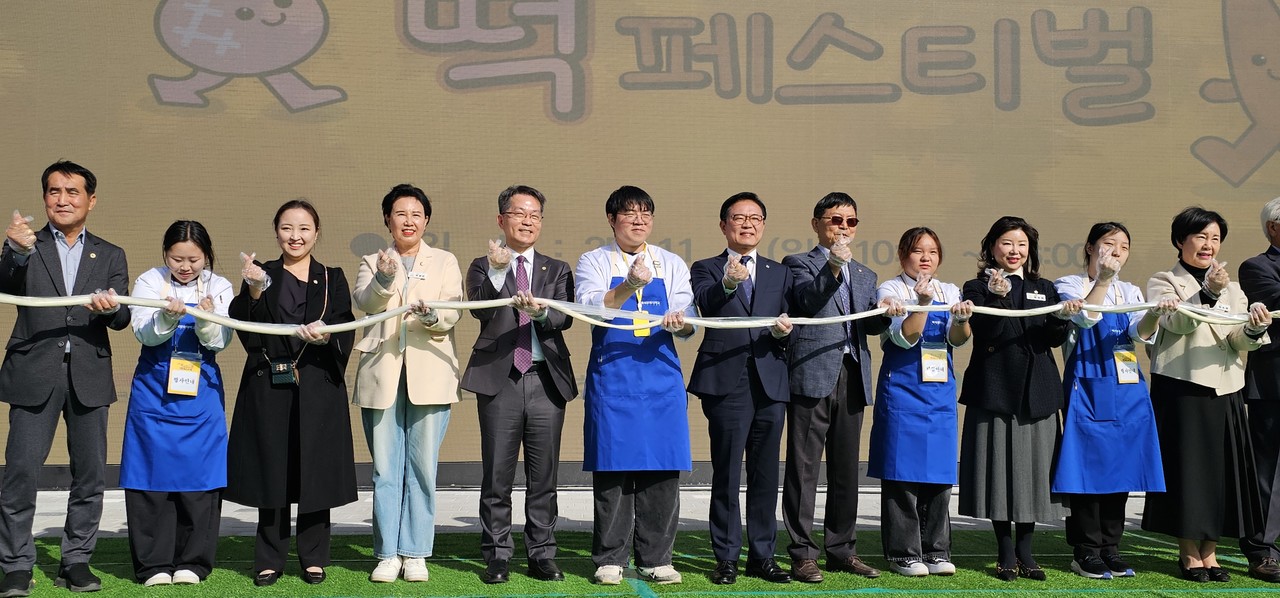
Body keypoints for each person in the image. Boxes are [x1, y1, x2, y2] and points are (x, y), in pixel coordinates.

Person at [0, 160, 129, 596]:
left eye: (73, 192)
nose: (63, 199)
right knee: (20, 472)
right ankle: (17, 565)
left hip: (89, 374)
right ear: (44, 199)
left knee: (90, 475)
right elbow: (5, 282)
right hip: (33, 372)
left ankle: (76, 561)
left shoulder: (110, 254)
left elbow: (123, 316)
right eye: (54, 191)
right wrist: (14, 250)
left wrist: (112, 309)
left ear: (91, 200)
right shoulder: (24, 245)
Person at [225, 199, 358, 587]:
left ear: (317, 233)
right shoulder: (261, 273)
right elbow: (245, 328)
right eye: (287, 228)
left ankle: (314, 557)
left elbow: (344, 324)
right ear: (276, 232)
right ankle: (269, 558)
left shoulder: (332, 276)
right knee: (272, 470)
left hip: (317, 383)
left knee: (314, 471)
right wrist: (251, 289)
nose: (295, 236)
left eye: (303, 228)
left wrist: (328, 334)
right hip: (269, 383)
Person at [1142, 206, 1272, 583]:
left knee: (1220, 474)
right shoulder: (1164, 280)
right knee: (1188, 472)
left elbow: (1236, 340)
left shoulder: (1233, 287)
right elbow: (1176, 323)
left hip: (1227, 387)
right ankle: (1188, 552)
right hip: (1182, 387)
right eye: (1201, 237)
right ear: (1180, 240)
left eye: (1215, 238)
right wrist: (1207, 292)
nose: (1208, 245)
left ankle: (1211, 553)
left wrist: (1252, 327)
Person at [575, 185, 695, 586]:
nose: (639, 220)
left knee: (662, 470)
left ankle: (657, 558)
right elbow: (591, 309)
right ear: (611, 220)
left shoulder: (671, 261)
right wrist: (627, 284)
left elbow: (688, 315)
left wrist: (682, 323)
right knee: (613, 469)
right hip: (614, 376)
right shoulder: (593, 260)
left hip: (661, 377)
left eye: (646, 213)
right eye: (629, 213)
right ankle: (610, 558)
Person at [460, 185, 576, 585]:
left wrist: (542, 315)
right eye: (519, 213)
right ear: (501, 220)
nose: (528, 221)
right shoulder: (481, 265)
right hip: (500, 380)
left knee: (543, 476)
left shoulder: (556, 268)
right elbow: (480, 307)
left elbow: (565, 318)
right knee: (497, 475)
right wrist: (497, 270)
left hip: (545, 380)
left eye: (535, 215)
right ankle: (496, 555)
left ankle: (542, 553)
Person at [352, 183, 463, 584]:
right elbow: (364, 304)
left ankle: (415, 552)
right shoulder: (372, 259)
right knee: (385, 468)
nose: (409, 221)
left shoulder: (445, 261)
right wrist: (383, 279)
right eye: (401, 214)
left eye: (416, 214)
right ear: (388, 220)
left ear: (426, 220)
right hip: (381, 372)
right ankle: (386, 553)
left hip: (431, 372)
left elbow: (453, 313)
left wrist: (432, 316)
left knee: (421, 467)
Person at [958, 216, 1079, 582]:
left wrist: (1062, 317)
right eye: (1007, 243)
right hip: (995, 389)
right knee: (999, 473)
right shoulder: (976, 287)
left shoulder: (1044, 287)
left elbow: (1051, 339)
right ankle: (1005, 550)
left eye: (1022, 244)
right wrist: (996, 296)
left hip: (1038, 392)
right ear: (992, 246)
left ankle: (1027, 550)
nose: (1015, 251)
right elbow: (984, 332)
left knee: (1033, 474)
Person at [782, 192, 893, 583]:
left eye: (850, 221)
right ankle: (802, 552)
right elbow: (807, 303)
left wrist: (888, 313)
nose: (843, 228)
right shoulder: (798, 264)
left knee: (846, 470)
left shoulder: (865, 274)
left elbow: (870, 326)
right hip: (812, 374)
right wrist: (832, 266)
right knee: (803, 468)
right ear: (817, 224)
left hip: (853, 373)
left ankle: (842, 549)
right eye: (835, 220)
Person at [1052, 222, 1172, 579]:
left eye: (1123, 246)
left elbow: (1138, 332)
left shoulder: (1131, 289)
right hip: (1088, 385)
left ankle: (1111, 548)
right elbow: (1086, 320)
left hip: (1127, 387)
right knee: (1089, 469)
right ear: (1090, 247)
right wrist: (1102, 279)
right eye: (1108, 243)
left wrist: (1157, 311)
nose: (1116, 251)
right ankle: (1086, 550)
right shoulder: (1070, 284)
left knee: (1120, 468)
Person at [120, 221, 234, 587]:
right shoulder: (149, 281)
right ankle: (153, 564)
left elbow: (220, 340)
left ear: (206, 256)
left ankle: (193, 561)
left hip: (200, 393)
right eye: (177, 258)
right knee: (149, 477)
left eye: (194, 259)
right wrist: (167, 317)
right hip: (154, 393)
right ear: (165, 254)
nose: (185, 267)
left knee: (199, 479)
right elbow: (143, 332)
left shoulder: (219, 286)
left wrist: (203, 318)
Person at [688, 192, 794, 585]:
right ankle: (726, 557)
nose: (747, 224)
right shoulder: (705, 267)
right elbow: (707, 305)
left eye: (755, 218)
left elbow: (790, 320)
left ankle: (762, 556)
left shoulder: (780, 271)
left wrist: (785, 333)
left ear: (764, 225)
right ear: (723, 225)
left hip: (770, 382)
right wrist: (729, 284)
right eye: (739, 218)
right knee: (727, 473)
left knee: (766, 475)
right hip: (726, 381)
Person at [868, 227, 972, 578]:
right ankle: (903, 553)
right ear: (902, 255)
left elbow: (957, 341)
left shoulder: (951, 290)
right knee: (902, 475)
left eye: (932, 251)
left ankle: (937, 550)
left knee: (939, 474)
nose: (925, 257)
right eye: (917, 251)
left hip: (939, 393)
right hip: (903, 391)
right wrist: (923, 303)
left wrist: (961, 320)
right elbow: (905, 336)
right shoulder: (891, 289)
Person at [1240, 196, 1280, 583]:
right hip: (1273, 385)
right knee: (1269, 468)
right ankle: (1262, 549)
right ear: (1273, 227)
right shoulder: (1257, 267)